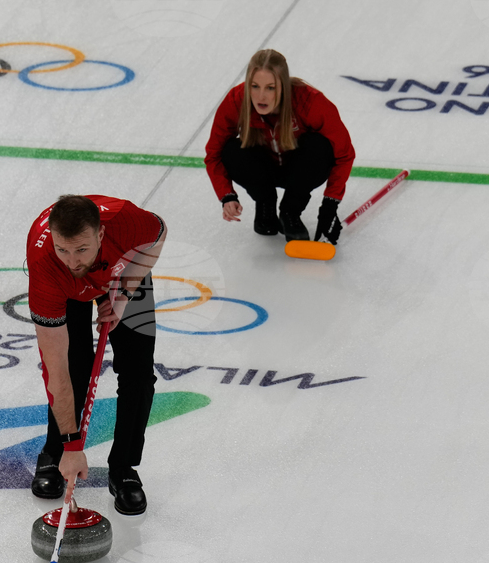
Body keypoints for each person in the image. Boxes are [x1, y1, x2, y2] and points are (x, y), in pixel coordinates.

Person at [26, 194, 167, 515]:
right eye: (63, 248)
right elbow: (55, 368)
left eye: (81, 249)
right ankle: (56, 450)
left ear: (100, 234)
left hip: (122, 271)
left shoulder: (128, 223)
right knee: (74, 366)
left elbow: (159, 234)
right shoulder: (48, 267)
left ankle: (124, 469)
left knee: (138, 372)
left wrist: (123, 295)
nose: (73, 260)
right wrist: (73, 445)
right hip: (68, 289)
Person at [204, 48, 355, 243]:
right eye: (255, 86)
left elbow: (344, 154)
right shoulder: (237, 100)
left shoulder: (310, 101)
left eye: (270, 87)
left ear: (283, 86)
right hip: (263, 168)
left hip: (299, 170)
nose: (261, 96)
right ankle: (265, 205)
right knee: (231, 149)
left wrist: (329, 206)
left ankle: (290, 212)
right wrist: (227, 196)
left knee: (319, 145)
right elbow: (214, 154)